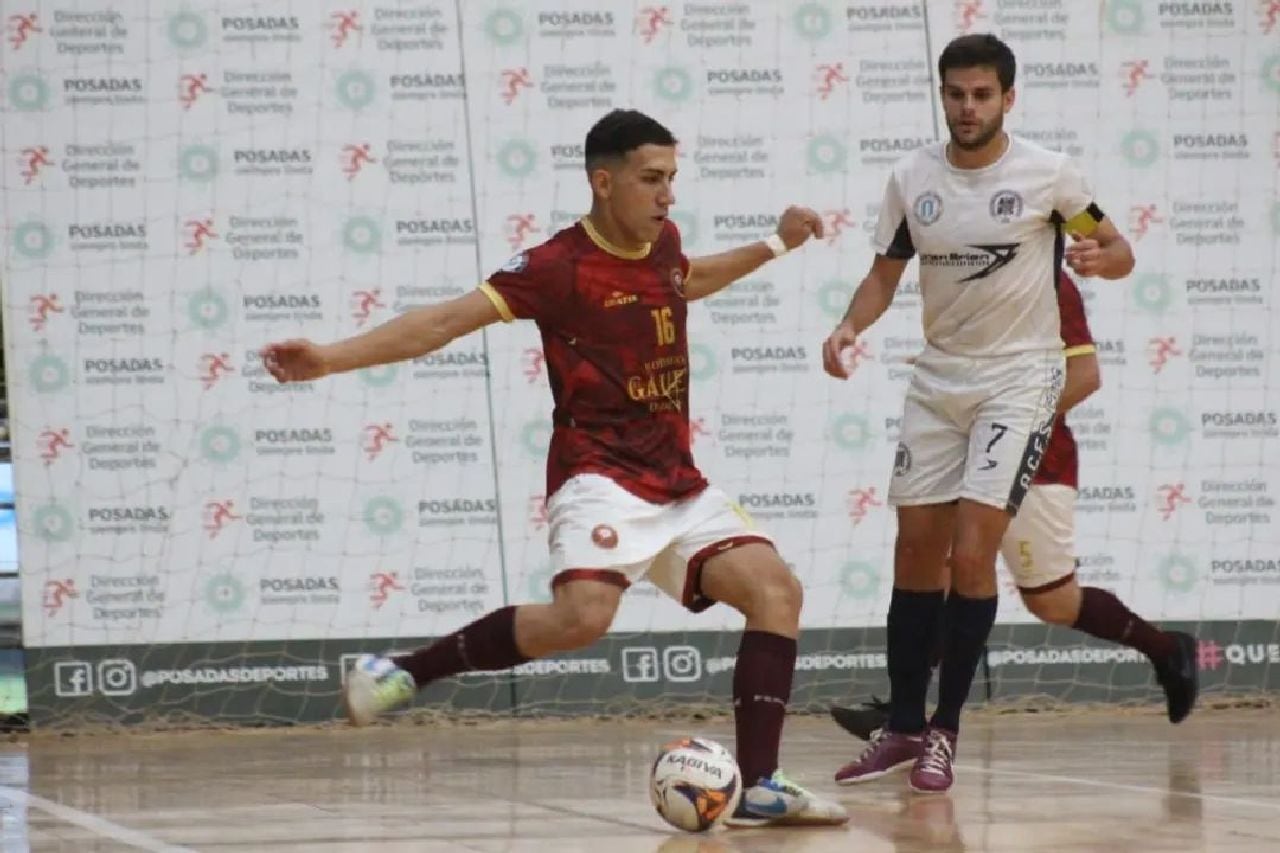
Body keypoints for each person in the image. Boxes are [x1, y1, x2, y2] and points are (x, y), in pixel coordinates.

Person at [262, 108, 846, 828]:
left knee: (776, 590)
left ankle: (760, 784)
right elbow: (442, 321)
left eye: (672, 179)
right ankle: (405, 671)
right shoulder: (556, 267)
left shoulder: (663, 241)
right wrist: (329, 357)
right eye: (651, 178)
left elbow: (684, 281)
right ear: (604, 182)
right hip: (597, 474)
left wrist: (774, 244)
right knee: (581, 619)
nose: (667, 194)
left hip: (677, 480)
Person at [821, 33, 1142, 795]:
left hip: (1019, 380)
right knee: (913, 552)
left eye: (982, 94)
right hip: (938, 381)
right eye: (956, 94)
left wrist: (1105, 256)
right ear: (942, 95)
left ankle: (945, 731)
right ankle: (901, 724)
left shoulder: (1050, 175)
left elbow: (1116, 241)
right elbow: (881, 274)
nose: (968, 107)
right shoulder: (910, 177)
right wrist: (847, 327)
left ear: (1007, 97)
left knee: (971, 554)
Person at [829, 270, 1198, 749]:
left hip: (1036, 461)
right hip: (963, 455)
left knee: (1052, 601)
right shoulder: (964, 273)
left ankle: (1168, 650)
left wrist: (998, 420)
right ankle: (903, 716)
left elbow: (1085, 377)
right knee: (936, 571)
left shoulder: (1048, 283)